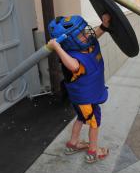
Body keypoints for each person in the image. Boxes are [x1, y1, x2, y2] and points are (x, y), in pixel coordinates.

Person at [47, 14, 111, 163]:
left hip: (86, 96)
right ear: (69, 41)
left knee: (81, 118)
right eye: (80, 34)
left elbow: (95, 35)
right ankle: (93, 151)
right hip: (84, 99)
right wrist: (57, 47)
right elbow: (74, 66)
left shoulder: (87, 44)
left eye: (83, 31)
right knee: (94, 122)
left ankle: (73, 143)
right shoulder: (72, 58)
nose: (85, 34)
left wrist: (104, 25)